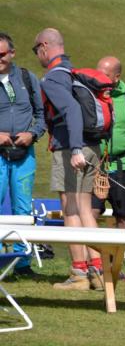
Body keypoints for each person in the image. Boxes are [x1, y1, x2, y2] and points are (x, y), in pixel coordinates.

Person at [34, 28, 104, 290]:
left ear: (44, 47)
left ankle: (79, 274)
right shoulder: (74, 73)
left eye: (36, 51)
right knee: (85, 209)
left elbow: (71, 109)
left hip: (70, 148)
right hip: (92, 146)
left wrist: (74, 148)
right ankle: (97, 271)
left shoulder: (52, 78)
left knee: (71, 209)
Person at [91, 56, 125, 281]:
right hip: (98, 166)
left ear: (117, 77)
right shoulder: (92, 96)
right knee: (90, 213)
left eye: (105, 75)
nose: (99, 78)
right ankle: (94, 263)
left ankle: (116, 266)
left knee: (124, 216)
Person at [0, 32, 46, 277]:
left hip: (24, 152)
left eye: (2, 54)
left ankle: (22, 262)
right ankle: (0, 261)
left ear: (12, 53)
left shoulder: (28, 78)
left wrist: (33, 135)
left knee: (22, 208)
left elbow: (41, 115)